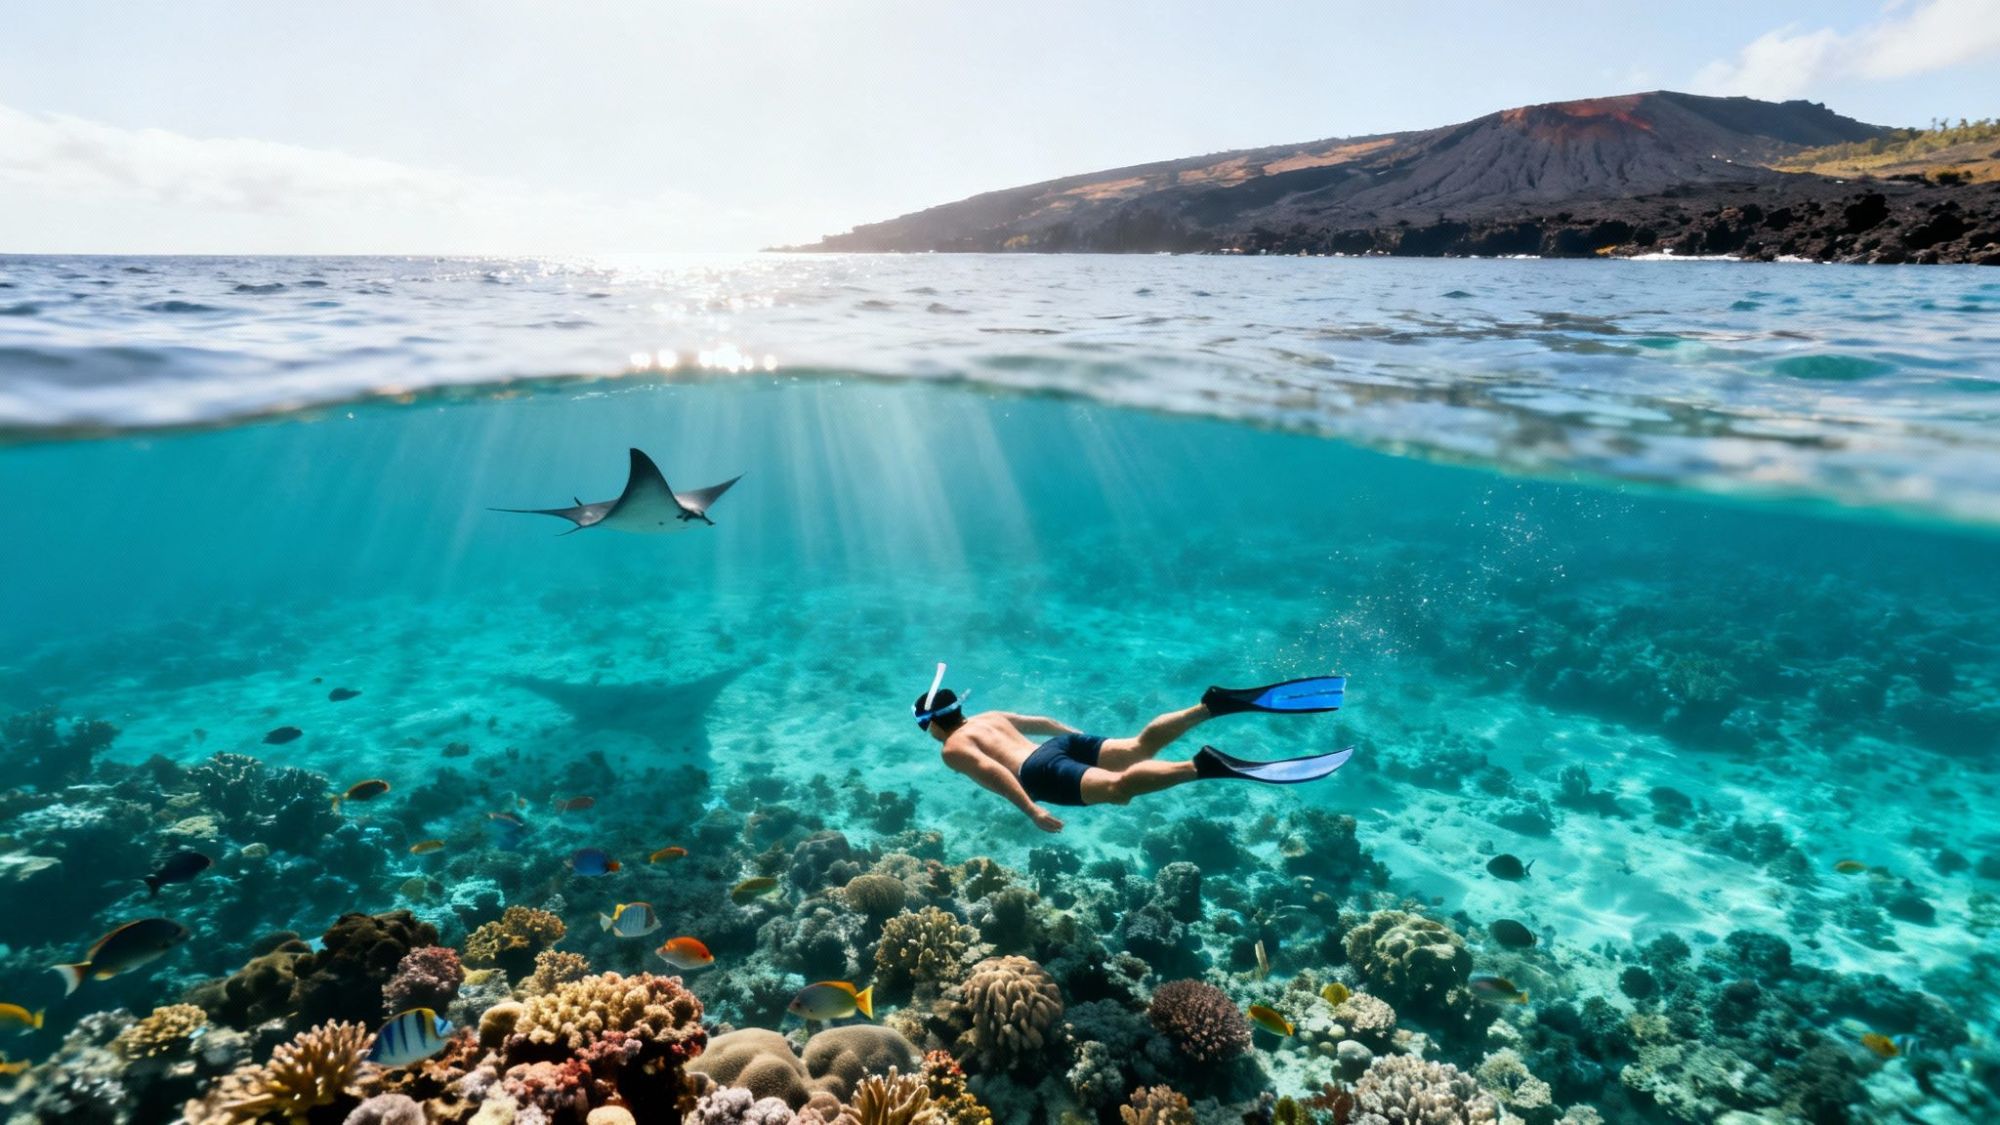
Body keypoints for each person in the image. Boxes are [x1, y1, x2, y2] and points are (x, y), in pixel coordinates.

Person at [912, 676, 1353, 833]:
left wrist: (1031, 811)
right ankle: (1210, 705)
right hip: (1054, 749)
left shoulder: (953, 748)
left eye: (923, 727)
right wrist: (1076, 738)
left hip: (1039, 772)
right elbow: (1041, 721)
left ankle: (1201, 767)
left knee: (1121, 790)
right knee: (1139, 748)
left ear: (932, 722)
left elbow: (993, 773)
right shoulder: (988, 717)